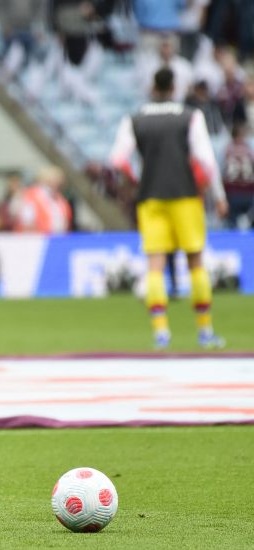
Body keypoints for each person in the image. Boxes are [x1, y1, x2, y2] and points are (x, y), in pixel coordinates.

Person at [109, 67, 228, 350]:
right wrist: (218, 195)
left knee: (155, 265)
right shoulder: (190, 117)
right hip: (184, 195)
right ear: (174, 88)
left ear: (153, 87)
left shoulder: (134, 119)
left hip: (150, 197)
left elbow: (117, 160)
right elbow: (205, 160)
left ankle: (161, 333)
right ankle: (204, 330)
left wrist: (133, 182)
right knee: (195, 261)